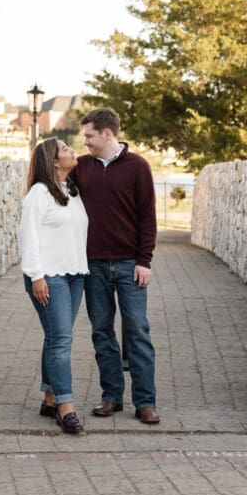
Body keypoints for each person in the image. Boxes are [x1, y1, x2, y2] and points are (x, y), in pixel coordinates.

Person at [72, 107, 160, 424]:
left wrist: (144, 261)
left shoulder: (138, 167)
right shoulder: (80, 167)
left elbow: (147, 217)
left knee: (137, 331)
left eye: (90, 136)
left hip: (129, 265)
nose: (86, 142)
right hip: (92, 266)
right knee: (102, 332)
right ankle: (111, 397)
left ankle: (145, 402)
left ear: (107, 134)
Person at [19, 137, 89, 435]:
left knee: (57, 337)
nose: (72, 150)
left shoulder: (70, 191)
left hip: (74, 274)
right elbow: (28, 237)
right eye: (65, 149)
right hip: (48, 276)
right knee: (61, 339)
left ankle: (49, 399)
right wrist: (36, 276)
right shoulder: (39, 194)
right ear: (54, 161)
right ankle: (66, 407)